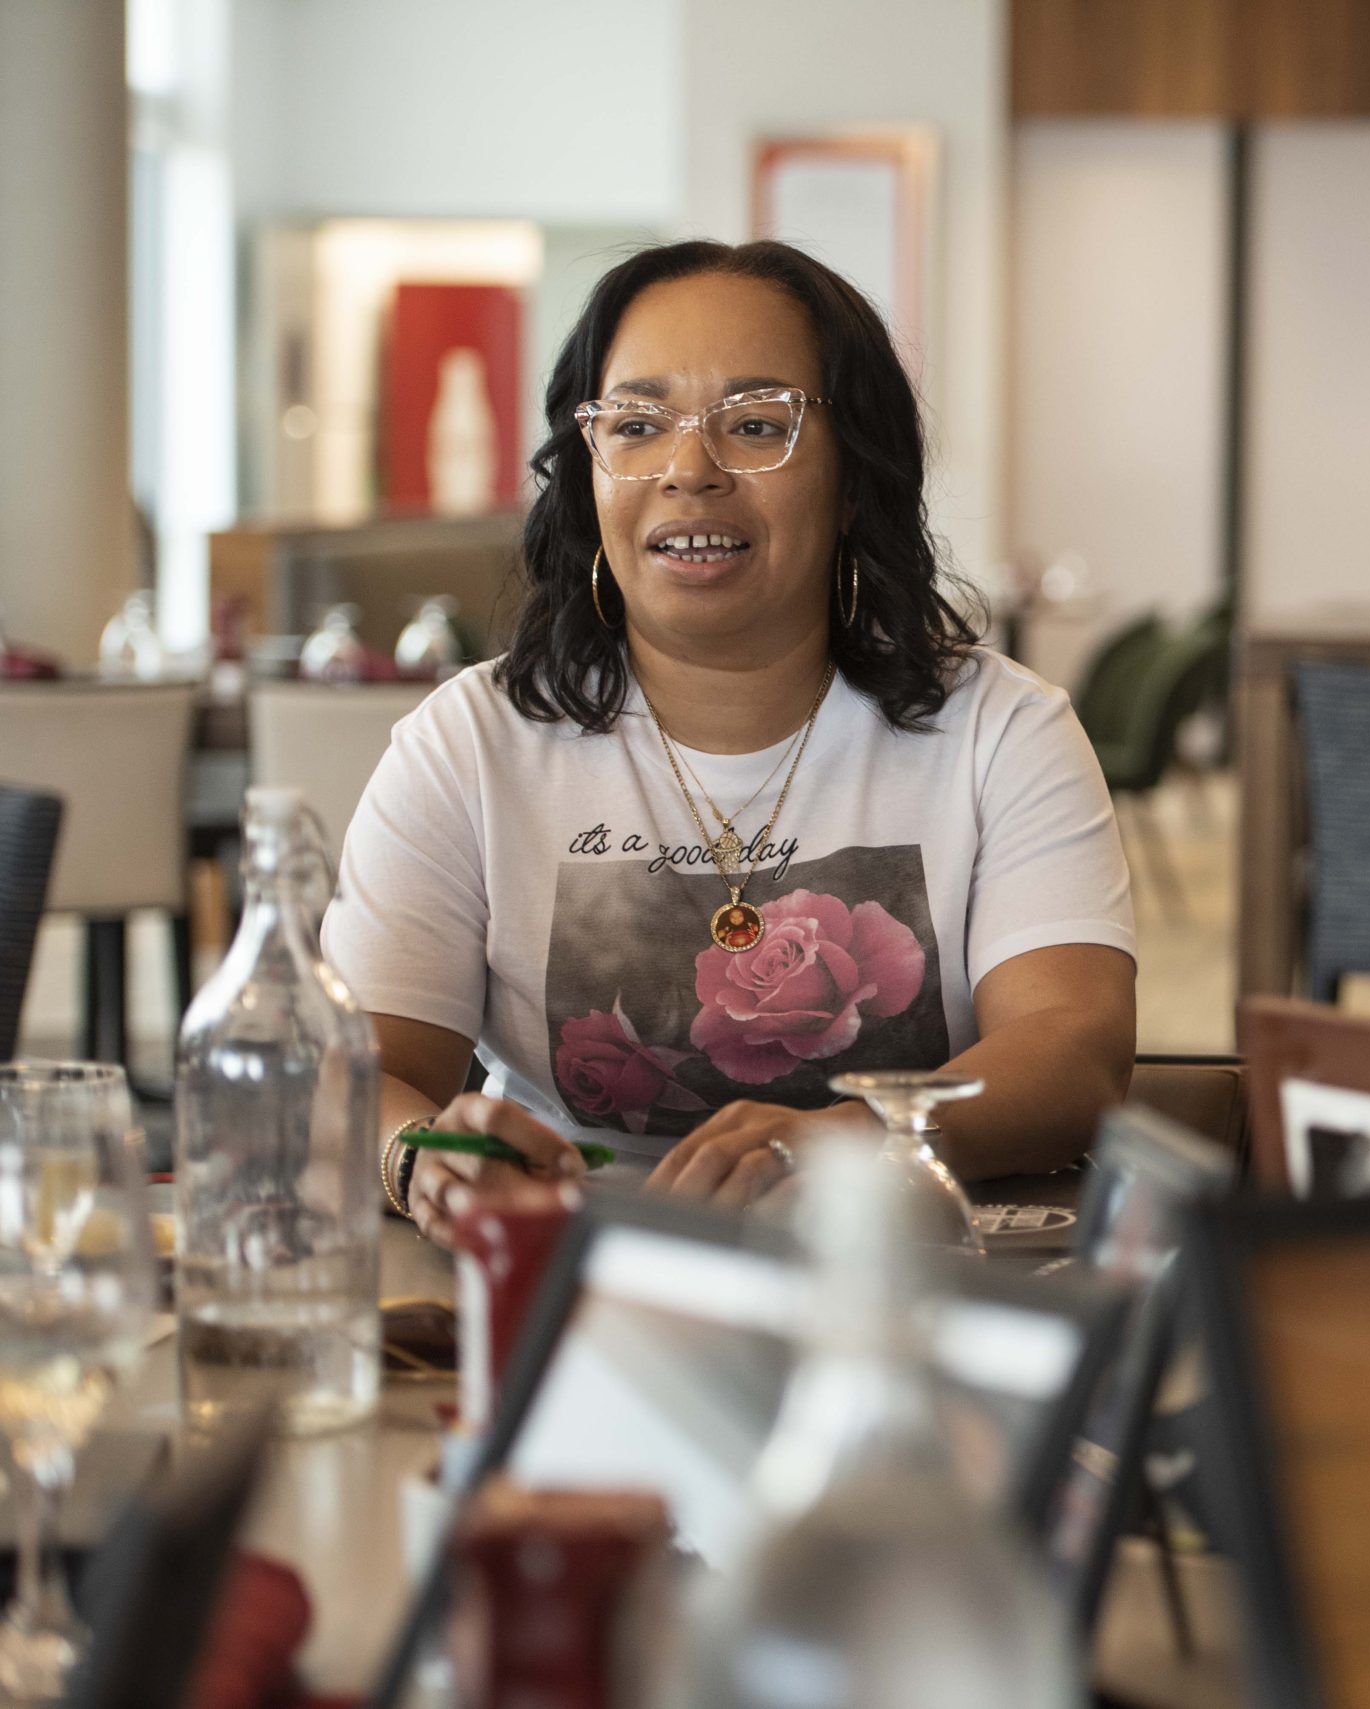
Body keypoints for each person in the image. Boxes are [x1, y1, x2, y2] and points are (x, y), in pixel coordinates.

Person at [326, 240, 1137, 1250]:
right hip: (562, 1273)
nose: (689, 470)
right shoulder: (470, 744)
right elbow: (351, 1074)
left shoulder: (997, 731)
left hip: (901, 1276)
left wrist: (849, 1145)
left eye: (756, 425)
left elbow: (1074, 1051)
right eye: (637, 426)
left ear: (854, 478)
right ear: (588, 473)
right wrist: (423, 1158)